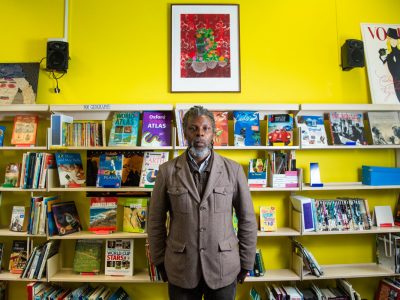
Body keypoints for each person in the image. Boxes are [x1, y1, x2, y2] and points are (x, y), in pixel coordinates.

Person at [148, 106, 257, 300]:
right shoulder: (166, 171)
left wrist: (247, 262)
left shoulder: (233, 170)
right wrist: (158, 261)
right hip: (181, 269)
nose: (200, 133)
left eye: (206, 128)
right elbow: (155, 221)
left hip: (223, 268)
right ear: (185, 133)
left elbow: (247, 219)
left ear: (213, 133)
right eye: (193, 128)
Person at [379, 28, 400, 102]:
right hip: (396, 84)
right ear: (389, 40)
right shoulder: (389, 56)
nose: (393, 41)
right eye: (391, 39)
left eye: (395, 39)